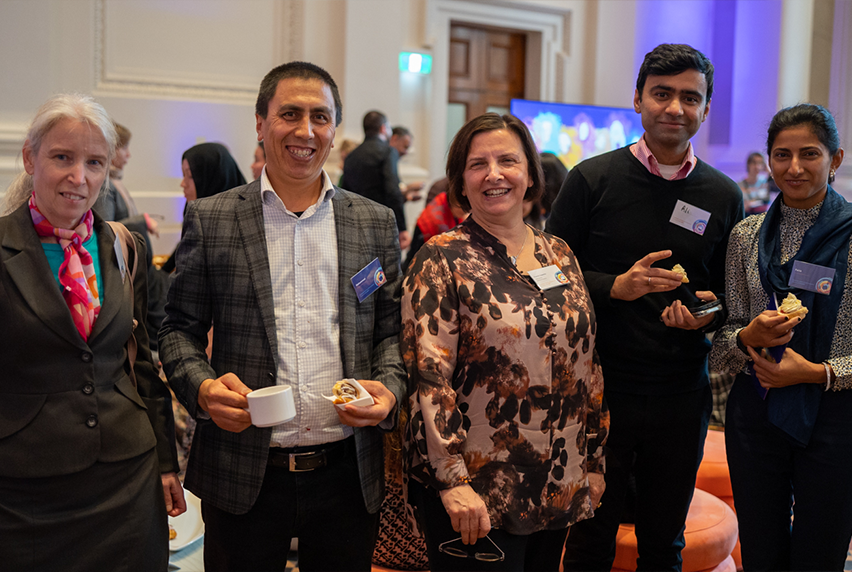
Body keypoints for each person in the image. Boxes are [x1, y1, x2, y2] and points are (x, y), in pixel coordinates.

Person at [159, 61, 406, 572]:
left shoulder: (374, 222)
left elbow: (389, 332)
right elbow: (177, 330)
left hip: (346, 471)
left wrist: (388, 387)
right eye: (289, 114)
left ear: (335, 130)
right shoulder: (213, 217)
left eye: (320, 116)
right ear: (260, 123)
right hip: (245, 469)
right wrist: (203, 388)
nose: (305, 130)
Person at [546, 43, 744, 571]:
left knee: (664, 543)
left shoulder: (724, 195)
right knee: (590, 540)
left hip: (682, 390)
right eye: (662, 94)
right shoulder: (591, 179)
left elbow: (729, 296)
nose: (675, 108)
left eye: (689, 97)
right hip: (599, 388)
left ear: (705, 108)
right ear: (638, 99)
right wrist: (617, 286)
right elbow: (544, 276)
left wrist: (708, 312)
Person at [402, 112, 609, 572]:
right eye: (478, 164)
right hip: (478, 495)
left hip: (558, 483)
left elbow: (587, 363)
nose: (494, 174)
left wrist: (593, 460)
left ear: (531, 174)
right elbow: (427, 379)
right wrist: (452, 480)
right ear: (460, 180)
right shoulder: (442, 259)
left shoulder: (560, 253)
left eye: (508, 161)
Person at [0, 93, 184, 571]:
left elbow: (141, 361)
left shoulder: (125, 248)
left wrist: (166, 460)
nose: (78, 178)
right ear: (30, 158)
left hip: (127, 477)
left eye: (94, 163)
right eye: (62, 157)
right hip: (25, 487)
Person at [709, 103, 852, 571]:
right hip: (757, 407)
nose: (794, 167)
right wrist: (747, 335)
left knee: (820, 552)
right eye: (781, 154)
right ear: (768, 160)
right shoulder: (746, 236)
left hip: (835, 415)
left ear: (835, 160)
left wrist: (815, 373)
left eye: (809, 154)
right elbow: (724, 344)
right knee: (761, 549)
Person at [93, 121, 169, 354]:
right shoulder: (105, 185)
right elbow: (104, 229)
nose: (128, 154)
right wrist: (141, 221)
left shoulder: (115, 181)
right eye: (124, 147)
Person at [159, 142, 246, 273]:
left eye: (190, 176)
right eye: (183, 175)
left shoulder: (238, 224)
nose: (183, 184)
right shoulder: (194, 213)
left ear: (211, 179)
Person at [340, 110, 411, 249]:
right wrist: (402, 228)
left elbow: (344, 194)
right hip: (381, 224)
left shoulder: (351, 156)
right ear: (383, 128)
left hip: (356, 226)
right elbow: (392, 190)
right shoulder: (388, 152)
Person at [401, 190, 467, 271]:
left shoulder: (449, 202)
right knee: (414, 262)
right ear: (456, 205)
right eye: (463, 209)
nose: (466, 212)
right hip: (425, 232)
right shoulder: (437, 223)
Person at [390, 125, 425, 201]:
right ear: (394, 139)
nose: (405, 152)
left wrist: (407, 195)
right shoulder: (385, 161)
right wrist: (409, 188)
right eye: (405, 147)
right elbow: (390, 193)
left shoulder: (393, 161)